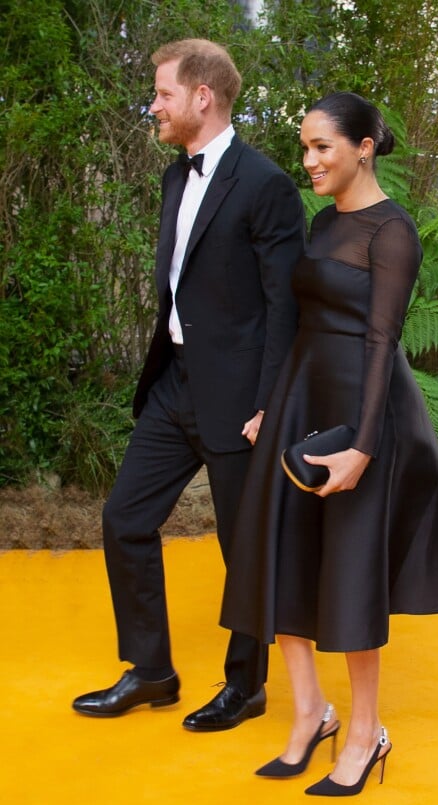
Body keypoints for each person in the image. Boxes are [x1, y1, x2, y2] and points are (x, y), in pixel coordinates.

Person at [220, 92, 438, 795]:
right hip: (303, 398)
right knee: (287, 557)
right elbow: (304, 323)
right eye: (304, 147)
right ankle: (311, 712)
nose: (308, 160)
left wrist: (363, 447)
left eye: (321, 147)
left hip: (363, 413)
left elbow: (380, 342)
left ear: (364, 147)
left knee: (351, 572)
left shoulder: (392, 232)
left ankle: (366, 732)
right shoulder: (322, 221)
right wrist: (271, 406)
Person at [72, 39, 305, 730]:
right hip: (174, 384)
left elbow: (283, 307)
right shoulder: (177, 176)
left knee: (244, 550)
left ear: (203, 96)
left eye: (163, 93)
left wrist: (269, 402)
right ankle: (151, 671)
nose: (154, 105)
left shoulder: (266, 185)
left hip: (239, 400)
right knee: (125, 519)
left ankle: (247, 686)